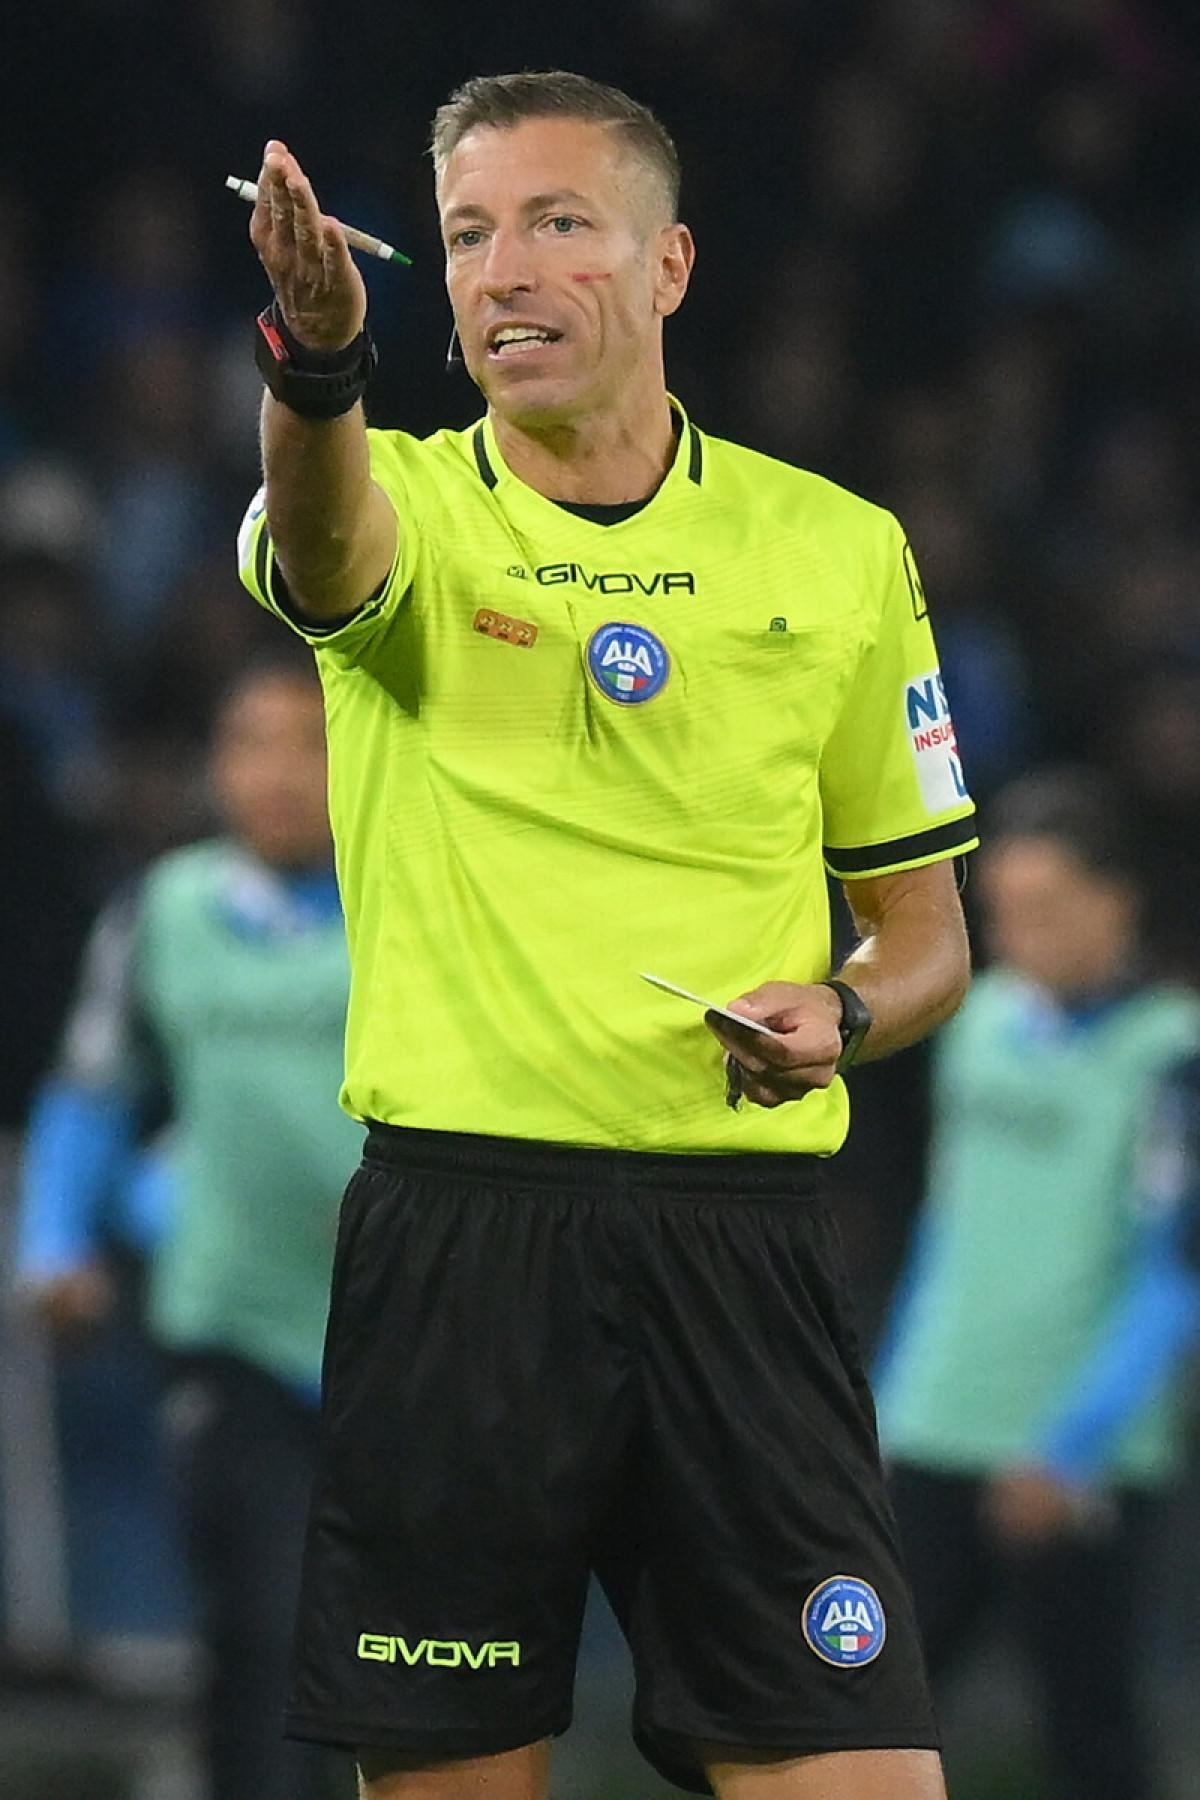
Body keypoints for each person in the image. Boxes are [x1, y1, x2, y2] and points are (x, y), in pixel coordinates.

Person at [237, 70, 978, 1800]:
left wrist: (846, 1015)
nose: (505, 271)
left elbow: (925, 935)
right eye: (467, 235)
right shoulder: (398, 496)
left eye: (560, 223)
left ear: (671, 266)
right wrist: (319, 365)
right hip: (464, 1243)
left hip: (742, 1253)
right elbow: (323, 551)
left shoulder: (838, 549)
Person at [17, 651, 359, 1800]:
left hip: (407, 1329)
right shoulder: (164, 910)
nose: (281, 774)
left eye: (313, 745)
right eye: (251, 745)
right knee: (262, 1627)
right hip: (233, 1322)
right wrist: (57, 1243)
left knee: (396, 1642)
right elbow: (93, 1093)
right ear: (216, 767)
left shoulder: (412, 899)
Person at [874, 769, 1200, 1800]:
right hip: (936, 1427)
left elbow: (1175, 1275)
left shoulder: (1171, 1056)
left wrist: (1069, 1448)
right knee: (870, 1718)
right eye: (1005, 912)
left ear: (1117, 900)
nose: (1017, 937)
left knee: (1091, 1733)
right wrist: (885, 1402)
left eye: (1046, 909)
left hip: (1071, 1459)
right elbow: (948, 1228)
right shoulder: (976, 1024)